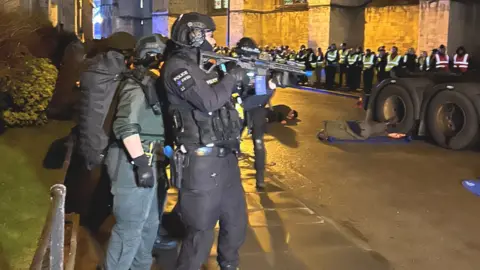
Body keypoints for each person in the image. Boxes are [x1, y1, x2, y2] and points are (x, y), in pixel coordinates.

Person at [160, 12, 247, 270]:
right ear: (194, 35)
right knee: (201, 233)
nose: (214, 38)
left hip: (225, 157)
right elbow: (208, 101)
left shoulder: (203, 64)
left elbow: (227, 100)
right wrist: (232, 77)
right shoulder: (178, 68)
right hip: (200, 161)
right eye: (210, 34)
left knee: (236, 223)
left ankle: (229, 265)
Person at [102, 34, 166, 269]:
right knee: (129, 228)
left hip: (148, 157)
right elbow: (125, 125)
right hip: (132, 160)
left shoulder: (148, 83)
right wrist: (140, 161)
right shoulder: (135, 85)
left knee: (149, 223)